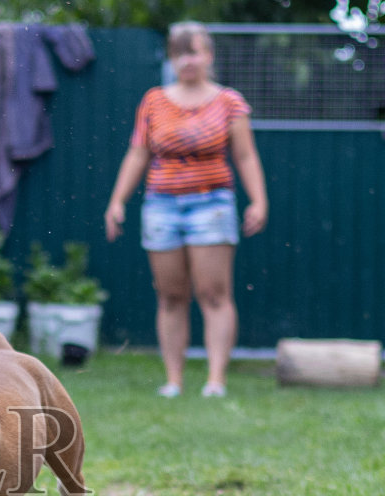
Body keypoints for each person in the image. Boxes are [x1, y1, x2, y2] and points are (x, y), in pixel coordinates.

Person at [104, 22, 268, 398]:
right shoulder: (154, 101)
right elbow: (138, 153)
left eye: (193, 52)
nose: (187, 61)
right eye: (180, 53)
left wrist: (259, 200)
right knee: (171, 296)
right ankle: (174, 381)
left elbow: (245, 155)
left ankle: (215, 381)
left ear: (208, 55)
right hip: (161, 207)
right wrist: (117, 201)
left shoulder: (229, 102)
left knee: (214, 294)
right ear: (171, 59)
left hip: (212, 204)